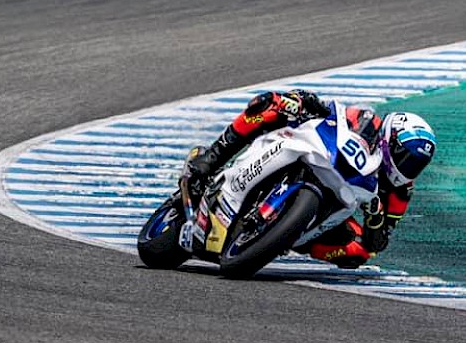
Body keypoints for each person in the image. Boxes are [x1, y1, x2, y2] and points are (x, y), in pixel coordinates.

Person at [184, 89, 436, 268]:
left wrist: (375, 216)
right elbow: (332, 113)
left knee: (360, 252)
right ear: (388, 140)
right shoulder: (368, 122)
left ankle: (285, 236)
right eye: (406, 157)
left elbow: (378, 242)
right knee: (271, 104)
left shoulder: (400, 190)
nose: (408, 167)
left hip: (334, 207)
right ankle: (212, 156)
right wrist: (304, 102)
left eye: (417, 164)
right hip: (317, 152)